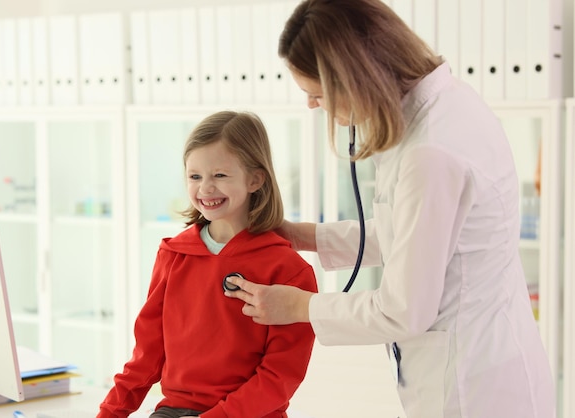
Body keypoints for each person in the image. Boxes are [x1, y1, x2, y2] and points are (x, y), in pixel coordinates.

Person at [224, 1, 556, 417]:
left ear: (355, 78)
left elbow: (403, 309)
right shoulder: (447, 104)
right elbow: (416, 235)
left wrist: (298, 306)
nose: (312, 106)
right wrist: (300, 235)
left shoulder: (430, 152)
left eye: (317, 94)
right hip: (484, 360)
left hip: (471, 390)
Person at [98, 111, 318, 418]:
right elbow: (147, 355)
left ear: (255, 179)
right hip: (174, 411)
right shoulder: (174, 256)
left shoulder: (288, 270)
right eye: (195, 176)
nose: (205, 189)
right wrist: (110, 413)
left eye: (220, 175)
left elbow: (280, 376)